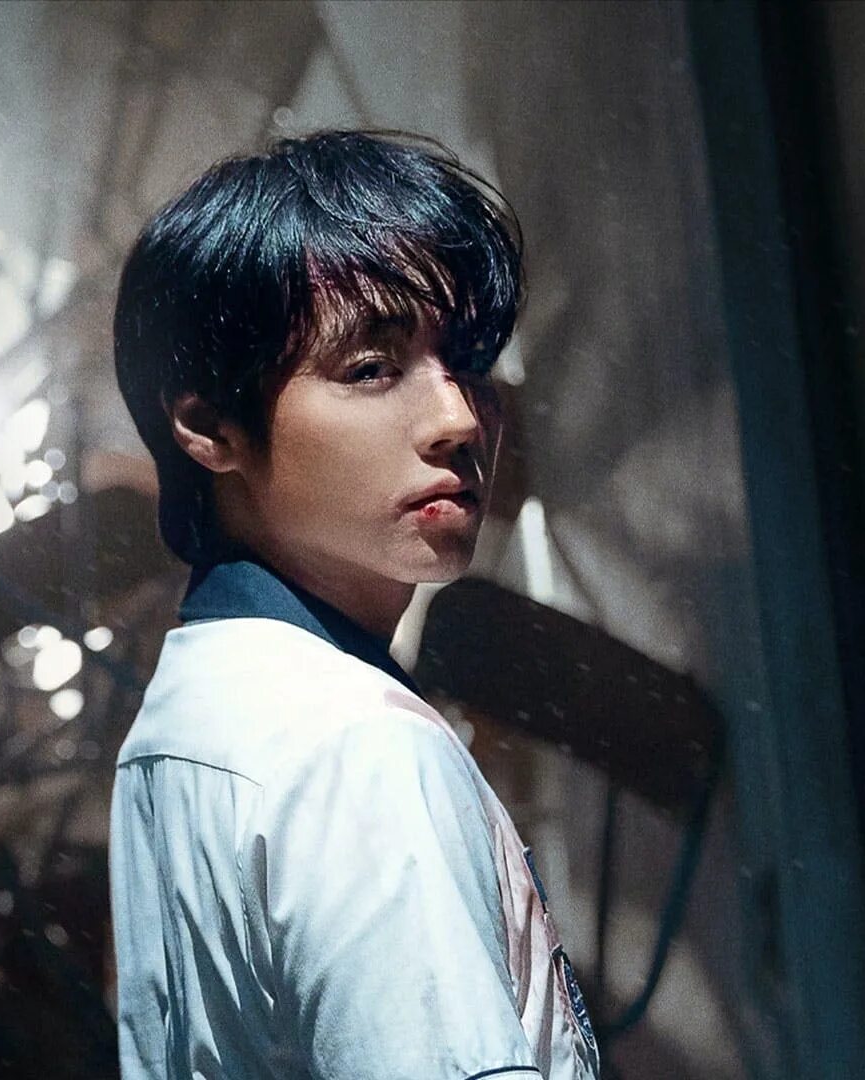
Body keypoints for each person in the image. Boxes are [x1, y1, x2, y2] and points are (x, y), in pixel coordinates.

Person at [108, 130, 601, 1080]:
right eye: (371, 368)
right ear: (209, 426)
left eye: (467, 359)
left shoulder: (189, 712)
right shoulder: (358, 748)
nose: (459, 417)